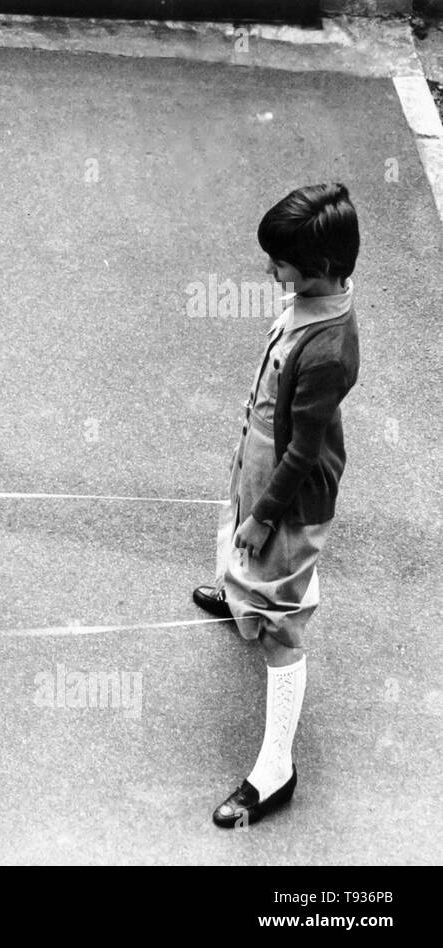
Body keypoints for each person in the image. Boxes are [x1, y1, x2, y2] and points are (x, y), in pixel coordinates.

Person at [192, 183, 361, 827]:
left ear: (317, 268)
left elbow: (306, 449)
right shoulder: (315, 297)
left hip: (288, 495)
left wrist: (265, 516)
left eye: (281, 263)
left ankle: (276, 770)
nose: (271, 272)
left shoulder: (327, 347)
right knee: (239, 555)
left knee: (281, 624)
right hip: (260, 466)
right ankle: (242, 594)